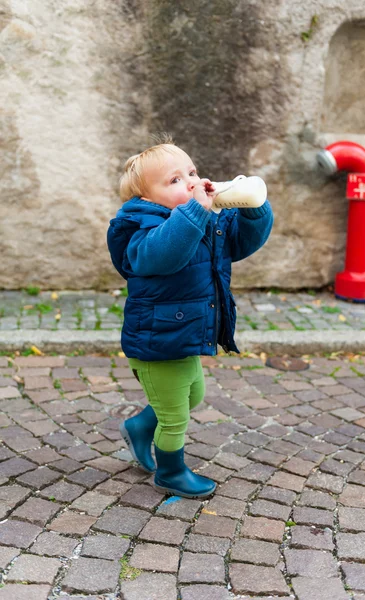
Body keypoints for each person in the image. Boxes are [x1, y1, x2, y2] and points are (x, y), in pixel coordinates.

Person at [107, 136, 273, 498]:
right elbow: (164, 253)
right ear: (148, 198)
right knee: (175, 416)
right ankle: (170, 472)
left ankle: (138, 427)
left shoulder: (200, 221)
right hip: (157, 340)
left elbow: (241, 241)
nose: (192, 182)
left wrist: (252, 208)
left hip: (183, 334)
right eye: (175, 180)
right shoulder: (139, 227)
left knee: (193, 395)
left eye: (192, 172)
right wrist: (195, 211)